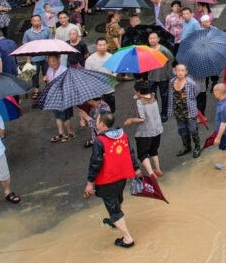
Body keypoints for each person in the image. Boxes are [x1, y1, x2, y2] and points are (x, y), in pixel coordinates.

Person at [84, 111, 138, 248]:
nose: (96, 123)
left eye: (97, 121)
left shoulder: (99, 141)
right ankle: (115, 221)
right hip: (122, 176)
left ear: (101, 124)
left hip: (107, 179)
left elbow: (95, 162)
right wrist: (136, 168)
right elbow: (130, 152)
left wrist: (90, 182)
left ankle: (127, 238)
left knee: (113, 208)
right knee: (118, 198)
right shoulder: (123, 135)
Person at [124, 81, 164, 177]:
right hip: (157, 130)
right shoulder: (153, 96)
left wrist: (131, 119)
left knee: (143, 154)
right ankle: (158, 169)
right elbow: (140, 96)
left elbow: (142, 118)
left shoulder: (140, 102)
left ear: (138, 91)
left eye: (135, 91)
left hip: (145, 133)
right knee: (154, 151)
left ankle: (151, 173)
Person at [168, 64, 202, 158]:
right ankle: (187, 147)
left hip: (190, 111)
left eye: (182, 70)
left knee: (193, 129)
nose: (180, 72)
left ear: (186, 72)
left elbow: (197, 92)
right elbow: (171, 97)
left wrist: (191, 101)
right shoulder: (172, 82)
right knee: (182, 130)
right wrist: (170, 110)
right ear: (175, 71)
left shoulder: (190, 83)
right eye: (178, 70)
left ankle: (197, 147)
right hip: (178, 111)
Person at [45, 55, 77, 142]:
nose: (52, 63)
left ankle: (71, 133)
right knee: (57, 116)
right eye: (50, 61)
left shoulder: (65, 70)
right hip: (54, 97)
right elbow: (49, 83)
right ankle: (61, 133)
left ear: (58, 60)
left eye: (54, 61)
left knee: (66, 117)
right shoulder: (49, 70)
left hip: (64, 97)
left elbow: (69, 85)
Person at [145, 32, 173, 121]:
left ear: (158, 39)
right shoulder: (147, 50)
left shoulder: (164, 50)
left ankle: (164, 113)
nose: (152, 40)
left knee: (164, 96)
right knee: (152, 96)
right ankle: (155, 112)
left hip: (163, 77)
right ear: (148, 40)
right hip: (151, 77)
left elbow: (171, 61)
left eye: (154, 38)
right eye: (150, 38)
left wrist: (169, 75)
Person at [84, 38, 117, 111]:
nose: (102, 47)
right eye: (100, 45)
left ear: (107, 45)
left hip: (109, 89)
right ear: (96, 46)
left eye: (104, 45)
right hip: (96, 90)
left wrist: (113, 76)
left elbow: (115, 70)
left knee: (111, 110)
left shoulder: (111, 57)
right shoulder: (90, 60)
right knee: (98, 110)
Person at [22, 15, 51, 96]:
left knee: (47, 73)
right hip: (34, 57)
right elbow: (25, 46)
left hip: (46, 56)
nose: (36, 22)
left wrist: (50, 56)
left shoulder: (47, 30)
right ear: (31, 22)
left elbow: (51, 43)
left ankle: (48, 89)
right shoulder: (27, 33)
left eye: (38, 20)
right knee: (35, 74)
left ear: (41, 21)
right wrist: (28, 58)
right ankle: (36, 90)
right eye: (34, 21)